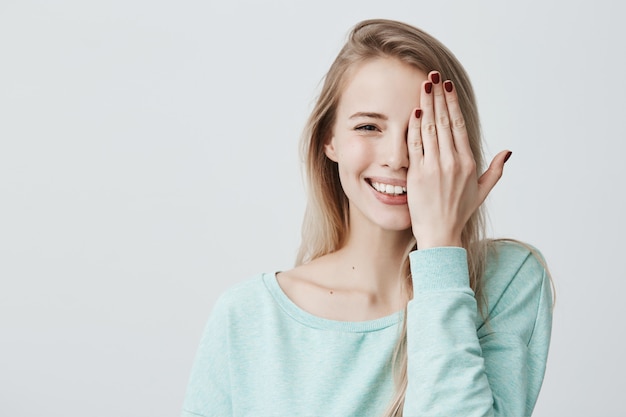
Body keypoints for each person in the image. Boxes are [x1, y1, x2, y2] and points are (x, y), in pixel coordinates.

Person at [181, 19, 553, 417]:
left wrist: (441, 248)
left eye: (422, 131)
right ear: (330, 140)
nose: (397, 157)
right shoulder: (247, 316)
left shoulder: (508, 280)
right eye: (368, 126)